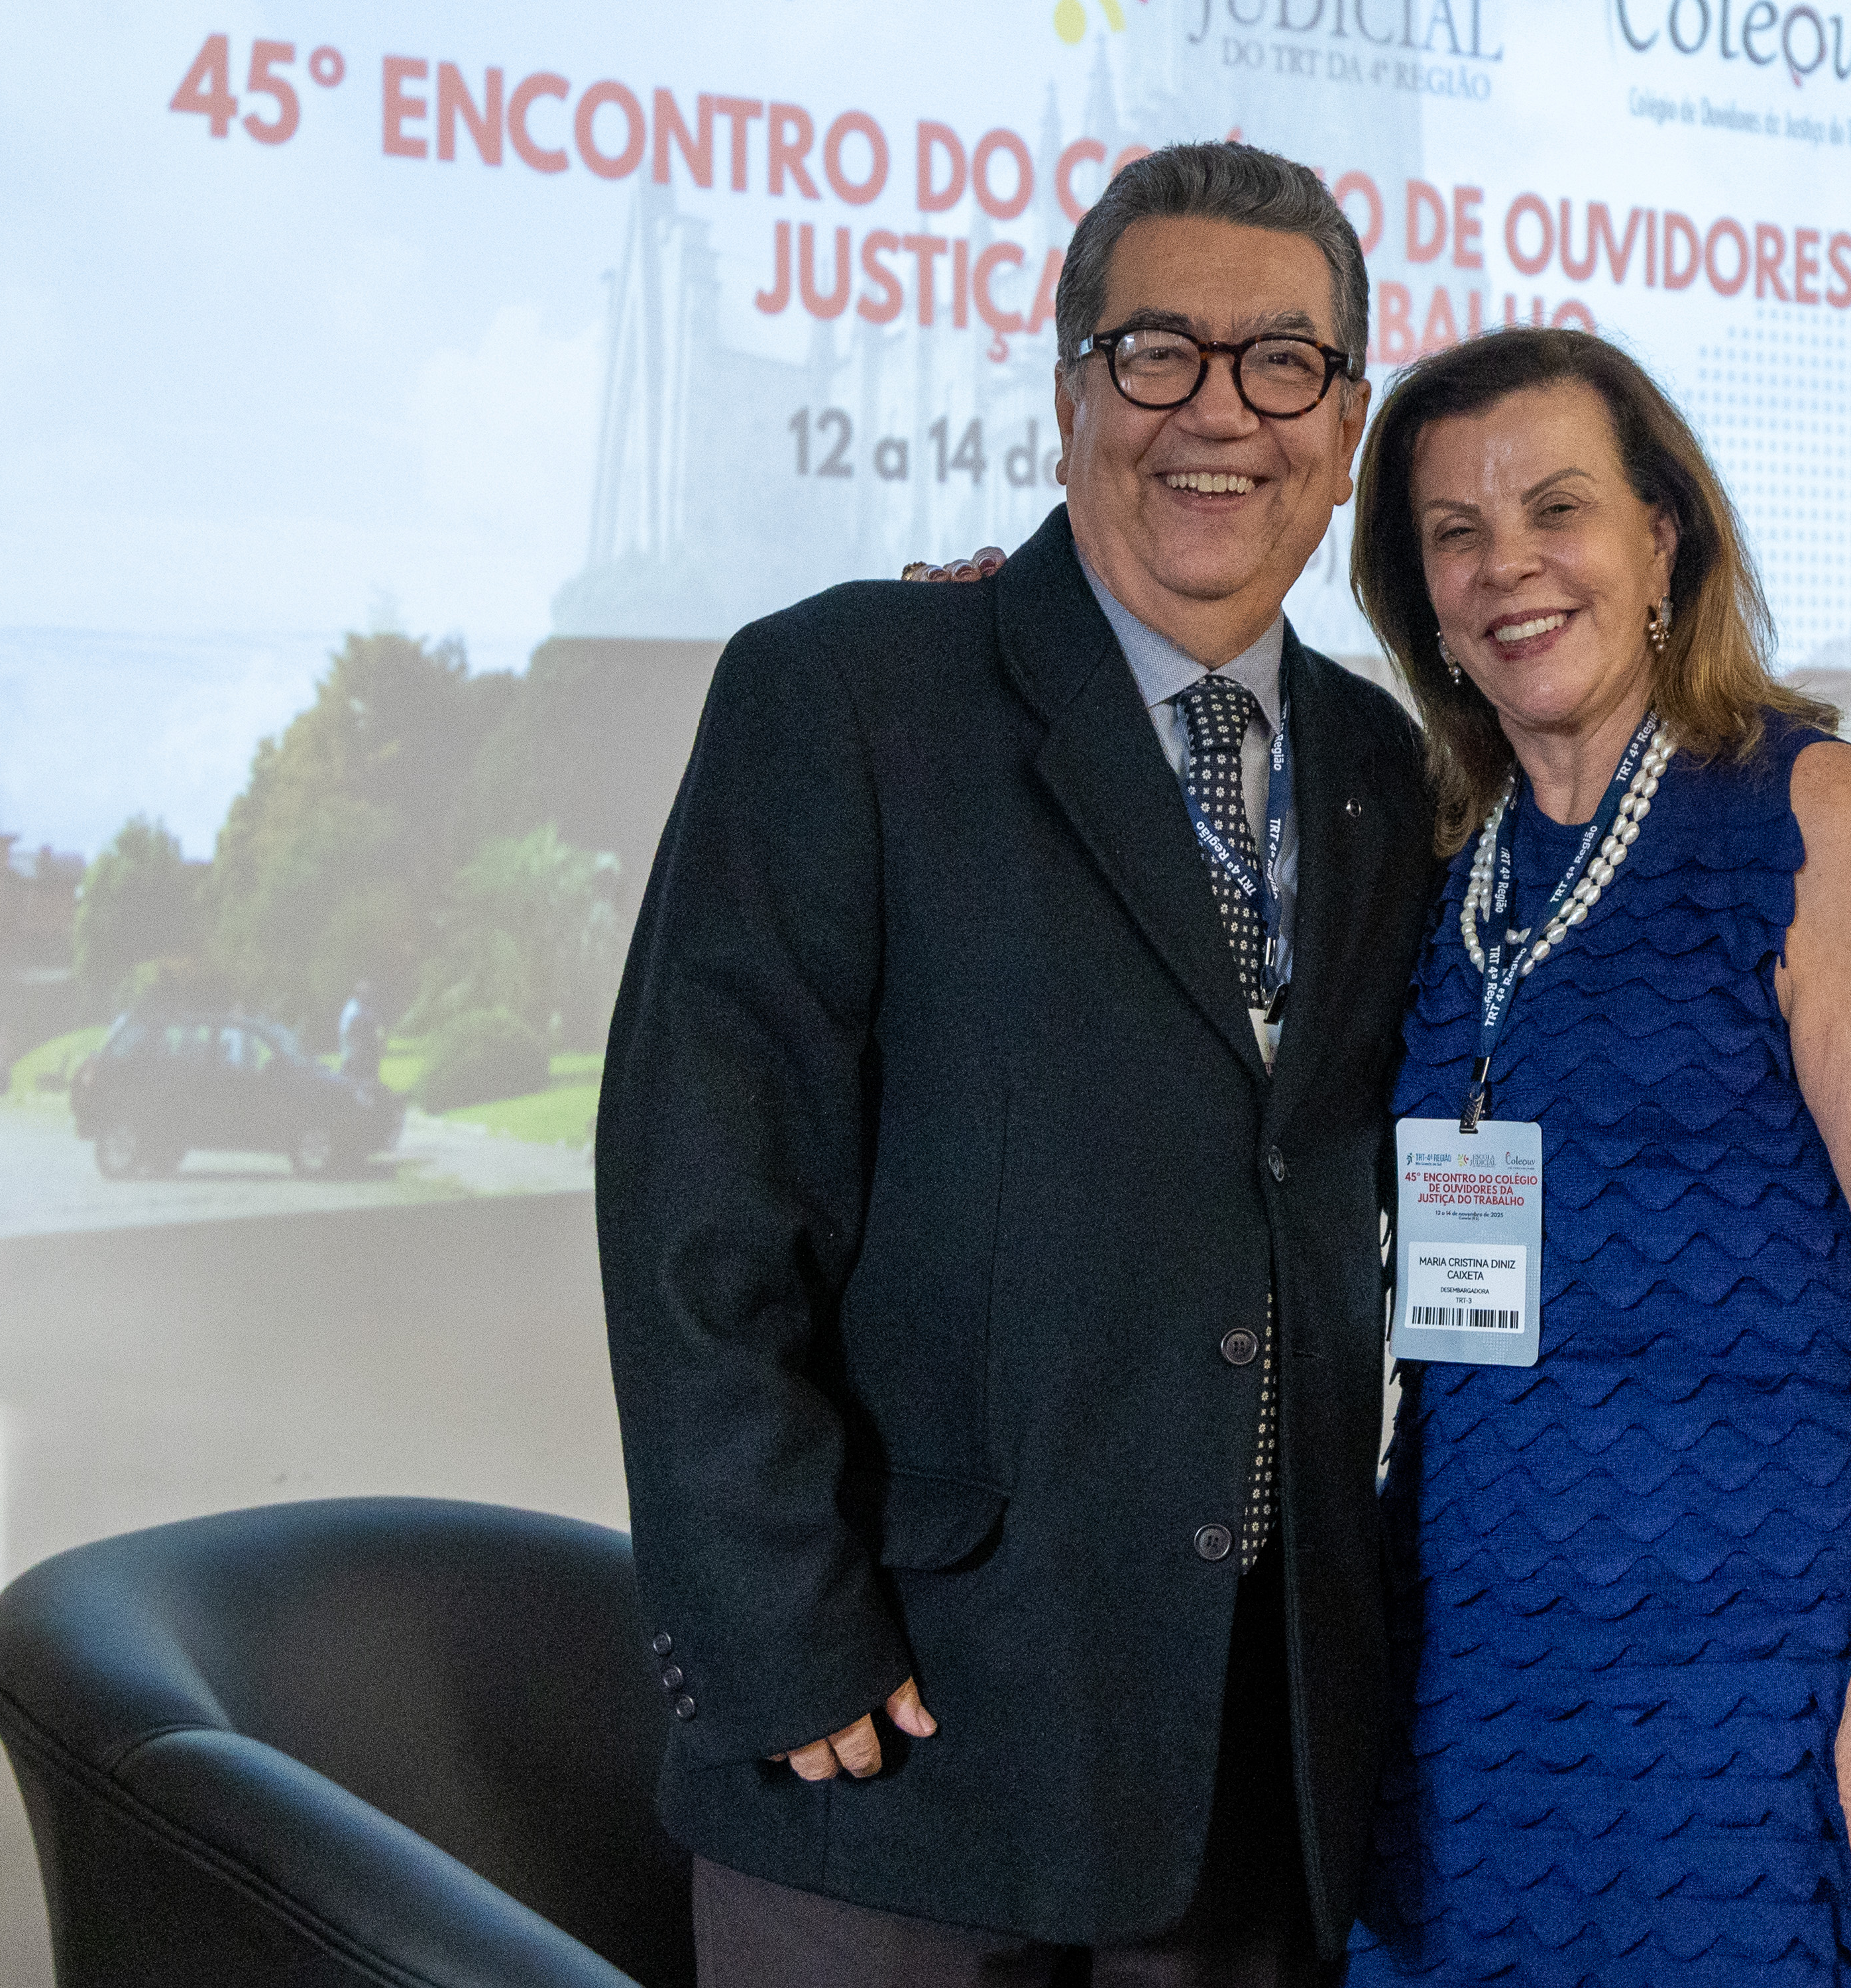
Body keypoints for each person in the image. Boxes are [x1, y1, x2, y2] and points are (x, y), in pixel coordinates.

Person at [596, 142, 1442, 1987]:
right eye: (1158, 352)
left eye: (1281, 363)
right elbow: (699, 1209)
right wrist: (771, 1637)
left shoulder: (1386, 771)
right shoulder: (846, 691)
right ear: (1073, 390)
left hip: (1260, 1764)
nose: (1218, 412)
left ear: (1349, 420)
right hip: (900, 1749)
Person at [1339, 327, 1851, 1985]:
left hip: (1752, 1672)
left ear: (1664, 543)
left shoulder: (1814, 814)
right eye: (1455, 534)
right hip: (1480, 1669)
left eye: (1557, 510)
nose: (1508, 568)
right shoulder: (1448, 855)